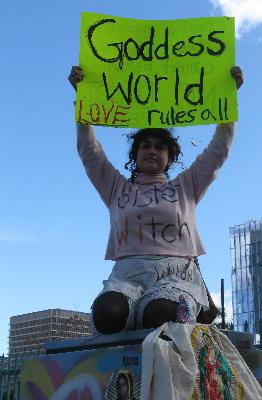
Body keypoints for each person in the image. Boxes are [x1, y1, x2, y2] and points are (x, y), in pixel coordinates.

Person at [68, 65, 243, 335]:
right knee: (107, 313)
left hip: (175, 274)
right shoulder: (115, 187)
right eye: (145, 145)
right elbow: (90, 152)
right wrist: (82, 100)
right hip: (127, 273)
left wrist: (230, 101)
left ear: (170, 157)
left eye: (160, 147)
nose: (152, 151)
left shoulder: (187, 186)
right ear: (135, 155)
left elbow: (218, 151)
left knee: (160, 313)